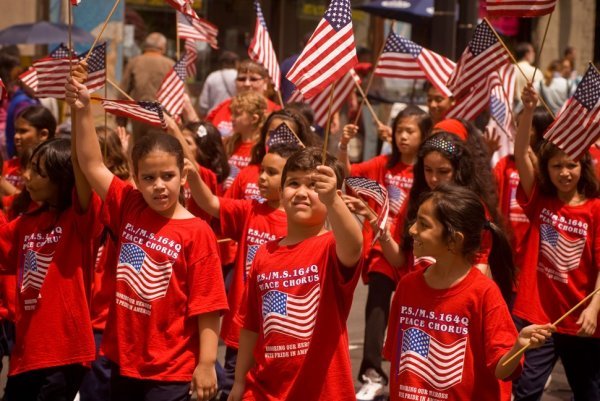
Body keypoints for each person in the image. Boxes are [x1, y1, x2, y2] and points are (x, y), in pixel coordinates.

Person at [67, 71, 229, 401]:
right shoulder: (129, 204)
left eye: (167, 175)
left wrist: (207, 364)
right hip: (123, 361)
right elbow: (90, 163)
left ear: (184, 175)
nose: (158, 185)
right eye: (149, 177)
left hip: (171, 371)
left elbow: (208, 306)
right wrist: (82, 108)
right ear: (136, 179)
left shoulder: (198, 232)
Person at [383, 183, 554, 401]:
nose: (412, 229)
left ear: (454, 240)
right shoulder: (407, 286)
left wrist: (519, 346)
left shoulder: (484, 293)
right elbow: (397, 361)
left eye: (423, 224)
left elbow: (503, 371)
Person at [228, 147, 363, 400]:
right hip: (263, 389)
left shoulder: (332, 247)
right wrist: (238, 382)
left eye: (314, 185)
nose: (301, 192)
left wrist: (333, 200)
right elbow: (250, 326)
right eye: (293, 183)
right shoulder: (264, 253)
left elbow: (354, 244)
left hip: (323, 391)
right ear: (281, 193)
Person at [187, 143, 299, 400]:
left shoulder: (301, 223)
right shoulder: (250, 210)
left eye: (271, 172)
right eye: (262, 170)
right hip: (241, 330)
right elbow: (210, 203)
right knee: (234, 389)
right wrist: (193, 175)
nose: (261, 177)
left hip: (278, 332)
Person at [339, 105, 432, 401]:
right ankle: (372, 374)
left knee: (415, 312)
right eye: (399, 130)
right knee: (377, 305)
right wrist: (342, 146)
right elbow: (350, 174)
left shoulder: (428, 170)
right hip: (383, 247)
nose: (402, 137)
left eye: (410, 131)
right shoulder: (383, 164)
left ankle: (418, 372)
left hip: (417, 251)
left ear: (424, 135)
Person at [513, 83, 600, 400]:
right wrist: (526, 111)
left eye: (572, 165)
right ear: (545, 170)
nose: (565, 172)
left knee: (589, 392)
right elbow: (521, 151)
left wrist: (593, 308)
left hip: (582, 321)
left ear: (583, 166)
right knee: (526, 391)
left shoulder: (595, 208)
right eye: (557, 165)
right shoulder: (540, 199)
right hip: (540, 319)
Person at [0, 138, 102, 401]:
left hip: (64, 354)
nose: (27, 176)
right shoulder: (24, 223)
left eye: (39, 172)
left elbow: (86, 167)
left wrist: (80, 110)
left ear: (62, 179)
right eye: (29, 167)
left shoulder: (79, 220)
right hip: (25, 355)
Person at [79, 126, 132, 401]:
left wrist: (124, 159)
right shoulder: (78, 196)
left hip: (107, 315)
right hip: (88, 312)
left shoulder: (120, 198)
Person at [225, 108, 318, 201]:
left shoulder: (309, 179)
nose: (276, 139)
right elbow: (225, 207)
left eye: (284, 134)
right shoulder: (248, 172)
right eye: (271, 133)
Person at [119, 32, 175, 141]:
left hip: (139, 118)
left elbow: (122, 95)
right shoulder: (170, 64)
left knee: (140, 151)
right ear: (163, 48)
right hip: (163, 119)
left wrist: (122, 124)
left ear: (145, 46)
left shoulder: (134, 62)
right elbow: (181, 96)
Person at [207, 60, 281, 138]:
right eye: (241, 79)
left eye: (253, 79)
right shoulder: (223, 106)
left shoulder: (276, 112)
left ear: (265, 82)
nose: (247, 84)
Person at [2, 105, 55, 192]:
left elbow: (36, 202)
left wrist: (2, 182)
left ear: (43, 134)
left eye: (23, 131)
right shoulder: (7, 166)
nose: (16, 136)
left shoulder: (51, 170)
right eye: (16, 131)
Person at [223, 91, 268, 191]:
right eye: (232, 113)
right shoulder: (229, 143)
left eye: (237, 114)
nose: (232, 118)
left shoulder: (262, 148)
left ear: (254, 119)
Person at [199, 51, 239, 117]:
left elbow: (203, 104)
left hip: (214, 117)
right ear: (236, 62)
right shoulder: (239, 76)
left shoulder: (212, 76)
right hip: (233, 116)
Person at [513, 42, 542, 110]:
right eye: (532, 51)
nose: (534, 54)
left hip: (513, 111)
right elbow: (540, 93)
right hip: (531, 110)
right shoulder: (535, 71)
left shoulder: (509, 70)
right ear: (527, 54)